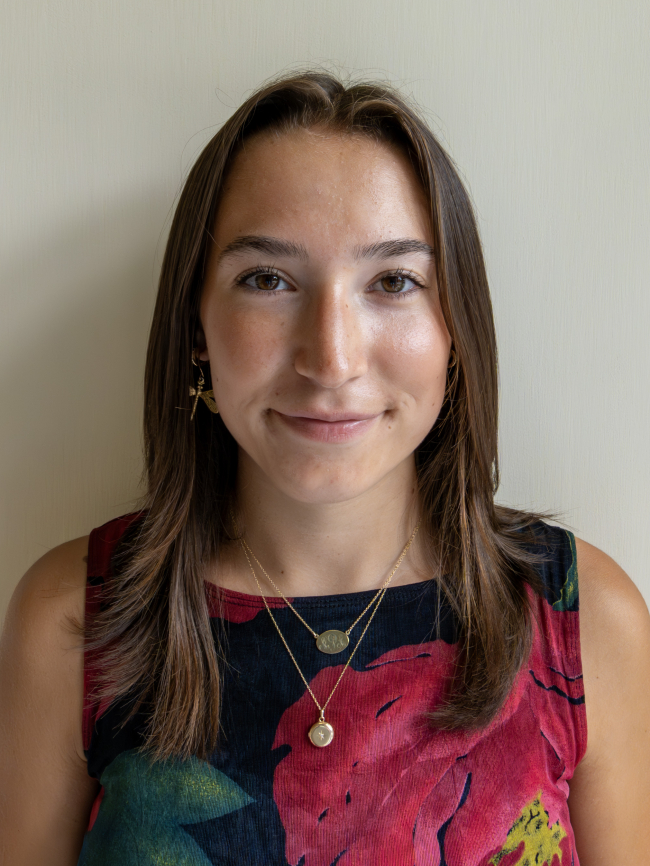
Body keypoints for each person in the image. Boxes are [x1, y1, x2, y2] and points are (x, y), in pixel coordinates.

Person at [0, 71, 648, 866]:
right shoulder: (73, 625)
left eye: (393, 282)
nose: (332, 357)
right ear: (197, 325)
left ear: (456, 329)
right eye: (267, 280)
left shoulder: (585, 627)